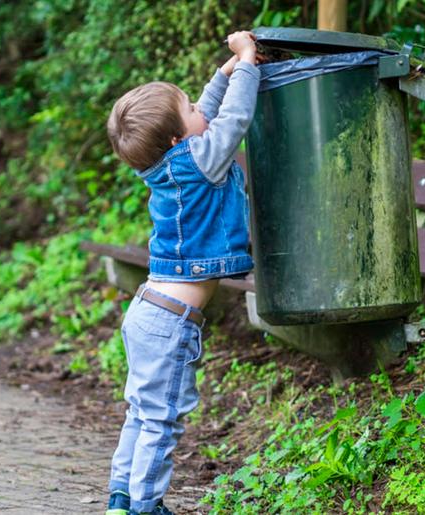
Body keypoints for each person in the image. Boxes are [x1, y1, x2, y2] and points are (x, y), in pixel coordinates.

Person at [103, 31, 261, 515]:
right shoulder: (201, 160)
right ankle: (146, 507)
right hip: (170, 323)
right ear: (177, 137)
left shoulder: (168, 163)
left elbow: (205, 117)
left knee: (141, 414)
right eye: (191, 107)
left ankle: (122, 498)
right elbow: (232, 120)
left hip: (149, 311)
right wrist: (249, 62)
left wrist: (223, 73)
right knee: (161, 421)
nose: (201, 110)